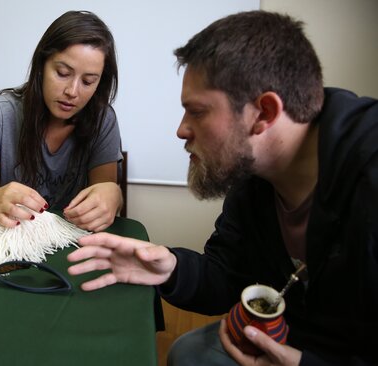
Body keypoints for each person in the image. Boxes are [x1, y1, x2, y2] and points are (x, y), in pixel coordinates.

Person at [67, 10, 378, 366]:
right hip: (289, 332)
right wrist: (170, 268)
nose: (181, 130)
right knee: (187, 354)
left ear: (263, 113)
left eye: (196, 111)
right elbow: (228, 277)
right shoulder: (252, 175)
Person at [0, 10, 123, 232]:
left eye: (88, 81)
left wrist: (113, 195)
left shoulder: (102, 120)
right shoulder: (0, 114)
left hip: (73, 241)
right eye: (63, 73)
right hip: (14, 236)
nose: (72, 91)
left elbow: (103, 196)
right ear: (41, 66)